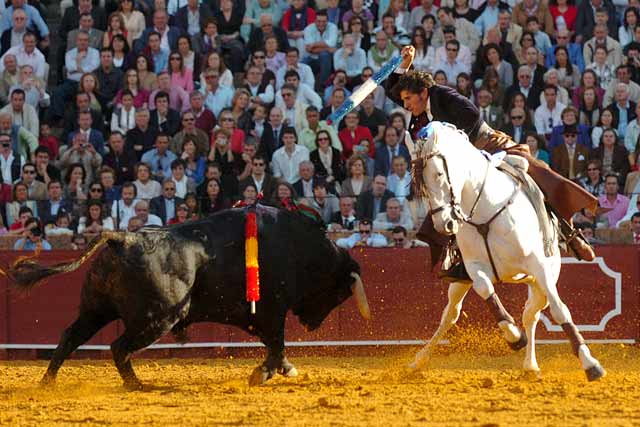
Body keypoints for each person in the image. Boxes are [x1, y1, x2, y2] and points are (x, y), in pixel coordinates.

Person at [386, 45, 597, 282]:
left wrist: (458, 147)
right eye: (403, 100)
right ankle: (456, 257)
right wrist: (405, 64)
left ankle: (569, 234)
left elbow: (473, 116)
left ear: (423, 92)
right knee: (444, 197)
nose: (404, 105)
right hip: (459, 159)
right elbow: (392, 91)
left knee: (535, 173)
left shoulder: (444, 96)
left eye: (407, 99)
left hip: (487, 144)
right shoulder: (419, 103)